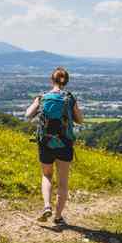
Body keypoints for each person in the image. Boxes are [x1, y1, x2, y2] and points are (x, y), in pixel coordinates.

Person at [25, 67, 83, 225]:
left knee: (47, 175)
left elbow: (28, 115)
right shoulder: (70, 98)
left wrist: (38, 106)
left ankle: (46, 206)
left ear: (52, 80)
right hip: (64, 143)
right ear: (66, 81)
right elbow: (80, 120)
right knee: (63, 182)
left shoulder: (43, 97)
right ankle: (58, 217)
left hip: (45, 143)